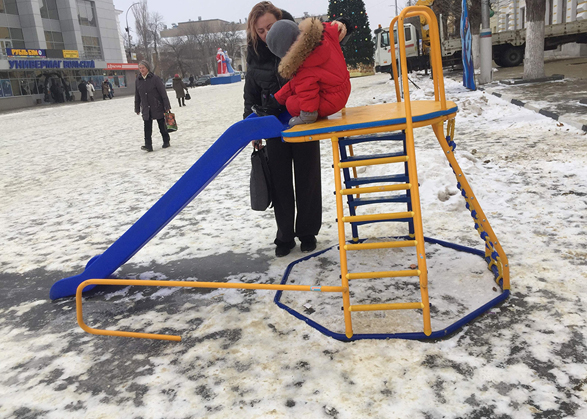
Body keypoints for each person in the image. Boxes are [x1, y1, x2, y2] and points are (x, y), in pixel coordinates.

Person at [243, 1, 351, 257]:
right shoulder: (255, 53)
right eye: (260, 31)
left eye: (270, 26)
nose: (266, 34)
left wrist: (345, 24)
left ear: (279, 20)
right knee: (280, 182)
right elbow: (250, 93)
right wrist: (252, 128)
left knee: (307, 178)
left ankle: (307, 232)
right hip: (273, 125)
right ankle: (284, 236)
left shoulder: (297, 36)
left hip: (304, 118)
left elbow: (330, 39)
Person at [266, 18, 351, 126]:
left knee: (291, 103)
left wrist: (307, 115)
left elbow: (307, 92)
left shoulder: (303, 65)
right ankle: (277, 99)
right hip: (344, 85)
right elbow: (336, 28)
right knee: (299, 83)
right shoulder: (323, 32)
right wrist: (277, 99)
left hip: (333, 101)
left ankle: (304, 113)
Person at [134, 60, 171, 152]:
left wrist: (166, 105)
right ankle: (148, 145)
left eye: (143, 68)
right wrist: (137, 107)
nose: (141, 70)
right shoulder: (138, 80)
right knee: (147, 128)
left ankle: (166, 140)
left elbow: (163, 92)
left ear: (147, 68)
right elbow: (137, 95)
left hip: (157, 105)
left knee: (161, 125)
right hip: (146, 107)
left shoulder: (155, 78)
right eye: (140, 68)